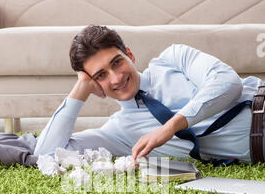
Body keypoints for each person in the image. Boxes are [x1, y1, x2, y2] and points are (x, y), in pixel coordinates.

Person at [33, 24, 261, 165]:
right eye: (101, 75)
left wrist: (169, 128)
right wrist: (79, 90)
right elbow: (47, 154)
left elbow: (228, 82)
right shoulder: (118, 133)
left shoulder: (174, 58)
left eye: (117, 63)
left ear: (130, 55)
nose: (116, 78)